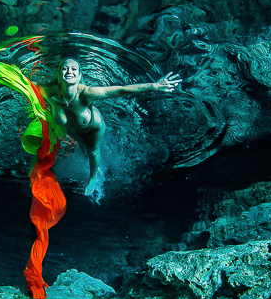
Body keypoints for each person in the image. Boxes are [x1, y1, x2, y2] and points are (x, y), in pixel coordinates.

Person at [42, 58, 182, 197]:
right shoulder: (50, 93)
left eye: (74, 69)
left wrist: (154, 86)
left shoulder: (87, 93)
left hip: (92, 128)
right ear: (59, 74)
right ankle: (87, 156)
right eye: (65, 68)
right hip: (73, 130)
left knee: (92, 151)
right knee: (82, 148)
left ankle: (93, 178)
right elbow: (27, 85)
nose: (69, 71)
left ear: (79, 76)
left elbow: (121, 90)